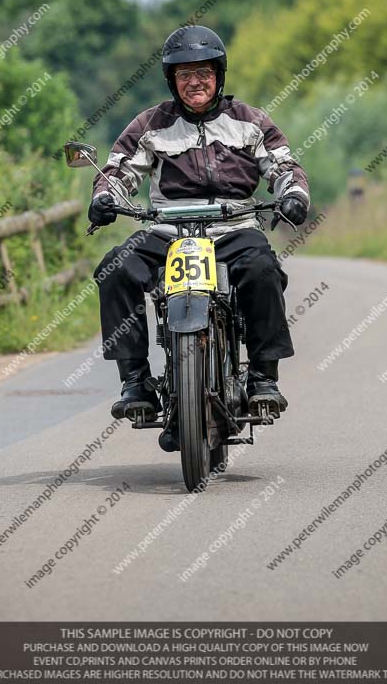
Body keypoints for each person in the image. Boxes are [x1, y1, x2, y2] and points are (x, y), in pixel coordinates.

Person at [89, 25, 310, 452]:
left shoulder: (249, 120)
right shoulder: (150, 124)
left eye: (204, 72)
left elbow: (284, 166)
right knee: (115, 268)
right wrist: (103, 197)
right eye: (184, 73)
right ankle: (134, 382)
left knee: (264, 269)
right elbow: (118, 172)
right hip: (169, 231)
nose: (195, 81)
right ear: (171, 80)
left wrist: (294, 194)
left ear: (219, 75)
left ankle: (264, 376)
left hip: (233, 228)